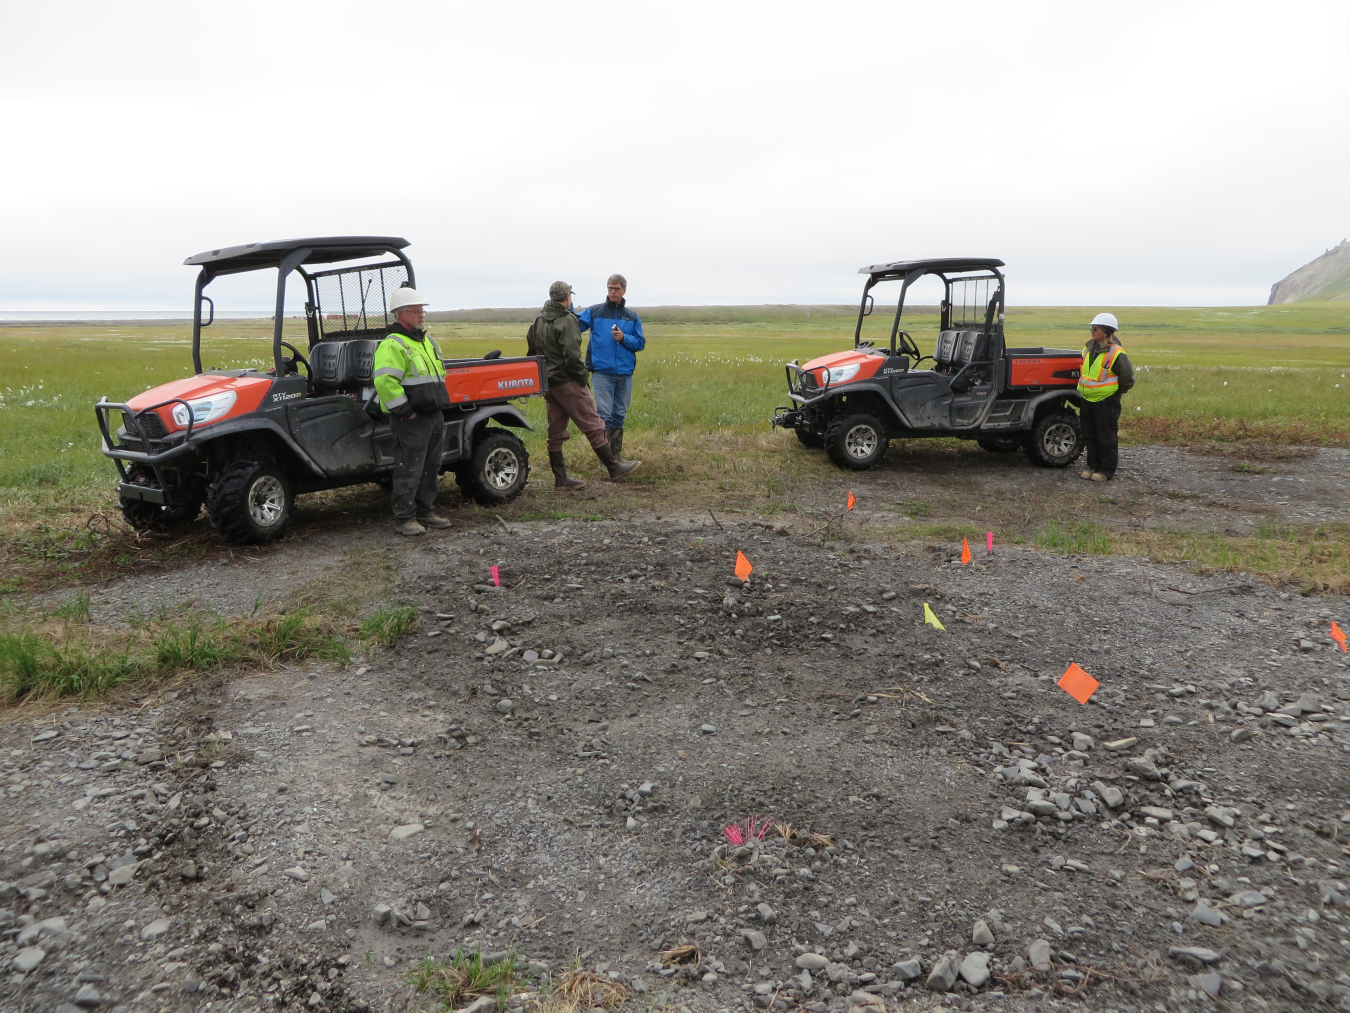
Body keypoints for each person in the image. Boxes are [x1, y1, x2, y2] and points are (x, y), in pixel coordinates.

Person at [527, 281, 640, 488]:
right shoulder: (566, 320)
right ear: (567, 297)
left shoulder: (539, 320)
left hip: (548, 382)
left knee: (555, 431)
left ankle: (561, 479)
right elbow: (572, 355)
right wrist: (581, 378)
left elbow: (532, 352)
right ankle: (614, 468)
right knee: (594, 425)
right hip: (567, 382)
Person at [372, 287, 453, 535]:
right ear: (400, 314)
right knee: (409, 467)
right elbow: (385, 384)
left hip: (433, 416)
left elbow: (439, 375)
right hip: (411, 419)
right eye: (416, 311)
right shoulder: (392, 345)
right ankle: (405, 518)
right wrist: (407, 413)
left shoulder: (427, 342)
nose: (421, 315)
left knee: (431, 466)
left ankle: (425, 512)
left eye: (422, 310)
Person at [577, 273, 644, 461]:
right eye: (610, 288)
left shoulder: (632, 317)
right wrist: (566, 308)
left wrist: (624, 338)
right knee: (604, 415)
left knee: (619, 414)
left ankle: (616, 456)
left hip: (624, 373)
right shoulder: (594, 312)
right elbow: (574, 325)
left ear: (624, 290)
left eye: (616, 289)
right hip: (602, 373)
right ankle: (605, 460)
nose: (612, 292)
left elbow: (640, 343)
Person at [1076, 312, 1135, 482]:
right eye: (1092, 329)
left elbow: (1127, 378)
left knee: (1106, 437)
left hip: (1106, 401)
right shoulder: (1088, 349)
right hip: (1087, 400)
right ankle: (1092, 466)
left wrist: (1117, 393)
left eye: (1095, 328)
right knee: (1089, 435)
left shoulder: (1117, 353)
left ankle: (1106, 470)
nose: (1092, 331)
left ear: (1106, 331)